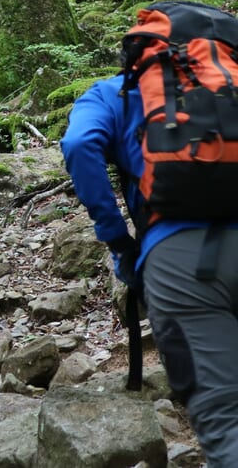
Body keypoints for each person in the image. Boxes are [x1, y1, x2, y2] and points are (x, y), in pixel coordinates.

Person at [61, 75, 238, 464]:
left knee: (226, 420)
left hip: (180, 261)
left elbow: (77, 144)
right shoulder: (230, 83)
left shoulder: (112, 93)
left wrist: (119, 241)